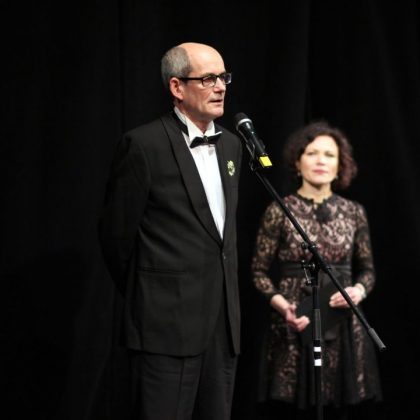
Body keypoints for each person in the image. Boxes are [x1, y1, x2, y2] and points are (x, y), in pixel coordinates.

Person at [99, 42, 242, 420]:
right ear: (177, 87)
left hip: (222, 326)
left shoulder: (232, 145)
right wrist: (153, 294)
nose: (220, 87)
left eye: (223, 77)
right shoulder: (143, 145)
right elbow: (116, 237)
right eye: (208, 79)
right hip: (164, 325)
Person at [251, 121, 382, 419]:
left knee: (341, 408)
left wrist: (357, 291)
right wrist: (283, 306)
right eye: (312, 153)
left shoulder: (354, 212)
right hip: (294, 321)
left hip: (343, 322)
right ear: (297, 162)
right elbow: (258, 272)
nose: (321, 160)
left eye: (329, 155)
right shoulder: (279, 210)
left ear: (340, 166)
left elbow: (368, 271)